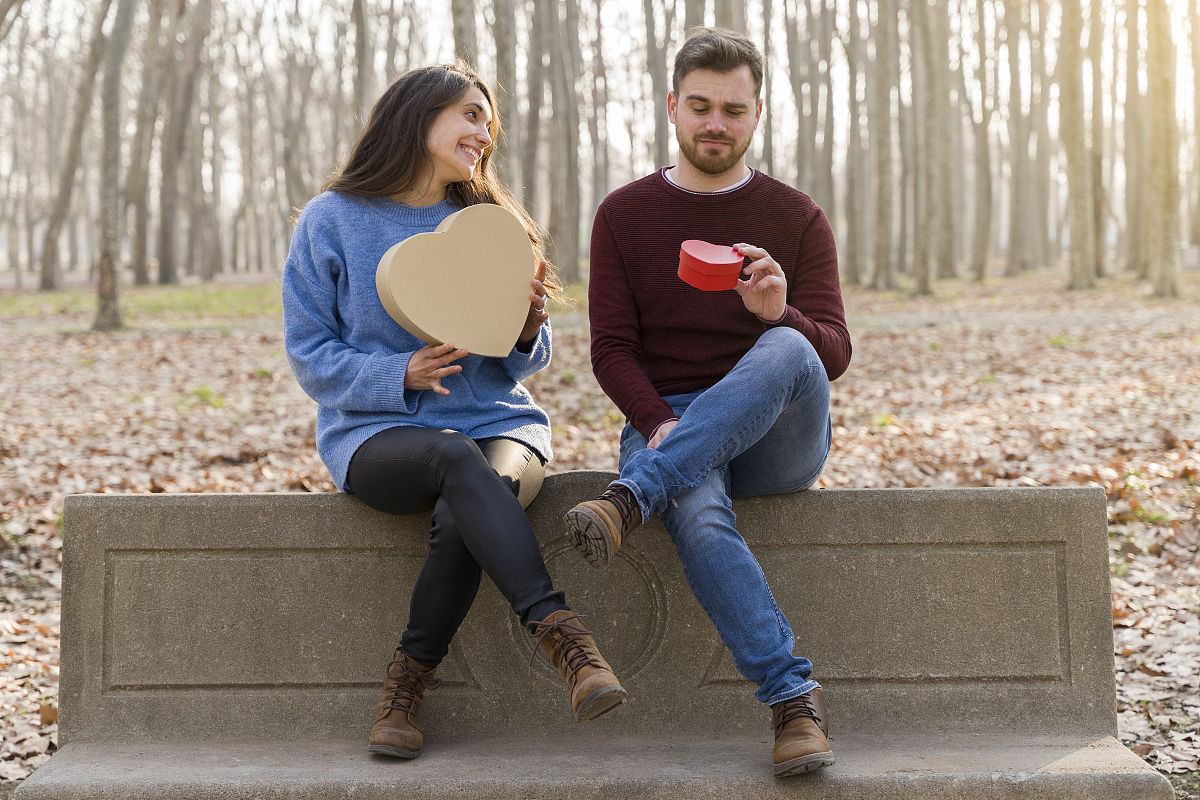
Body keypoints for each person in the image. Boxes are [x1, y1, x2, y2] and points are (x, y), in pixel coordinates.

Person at [282, 62, 626, 761]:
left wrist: (527, 330)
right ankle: (564, 636)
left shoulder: (487, 225)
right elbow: (309, 354)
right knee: (448, 457)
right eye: (470, 114)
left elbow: (519, 357)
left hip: (501, 425)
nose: (484, 131)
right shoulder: (331, 221)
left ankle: (405, 686)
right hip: (378, 435)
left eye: (487, 120)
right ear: (418, 115)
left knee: (469, 494)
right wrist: (396, 372)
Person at [563, 29, 851, 777]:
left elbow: (834, 352)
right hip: (668, 419)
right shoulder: (624, 215)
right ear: (672, 108)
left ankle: (630, 500)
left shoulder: (798, 217)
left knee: (790, 349)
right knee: (694, 501)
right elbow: (611, 351)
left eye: (732, 108)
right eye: (700, 106)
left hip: (778, 433)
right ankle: (794, 703)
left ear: (757, 114)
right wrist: (662, 426)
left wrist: (778, 313)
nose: (715, 123)